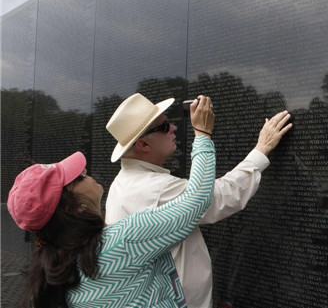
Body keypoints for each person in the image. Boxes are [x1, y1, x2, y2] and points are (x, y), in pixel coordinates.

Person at [7, 95, 217, 308]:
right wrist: (202, 134)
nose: (85, 171)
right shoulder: (126, 240)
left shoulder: (53, 269)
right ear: (74, 206)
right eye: (79, 177)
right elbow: (197, 199)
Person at [104, 93, 293, 308]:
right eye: (164, 127)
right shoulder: (154, 188)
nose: (174, 128)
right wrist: (262, 148)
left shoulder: (123, 182)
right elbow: (220, 196)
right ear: (144, 144)